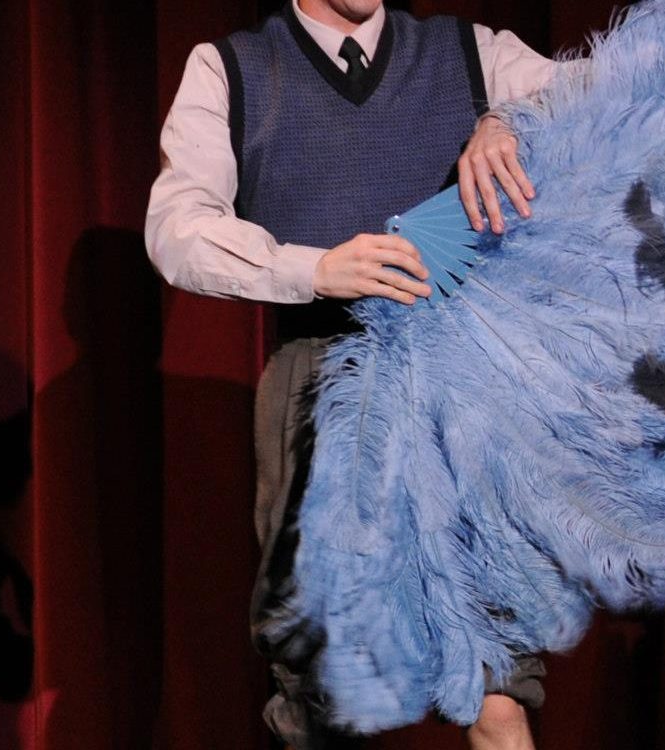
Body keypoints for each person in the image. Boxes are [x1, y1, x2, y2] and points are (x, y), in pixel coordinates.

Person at [144, 1, 568, 747]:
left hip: (461, 382)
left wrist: (512, 121)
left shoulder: (468, 51)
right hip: (323, 379)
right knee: (327, 693)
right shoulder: (233, 69)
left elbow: (612, 94)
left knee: (497, 685)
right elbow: (176, 228)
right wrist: (313, 269)